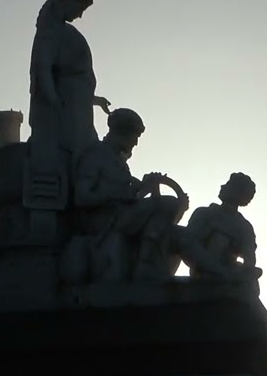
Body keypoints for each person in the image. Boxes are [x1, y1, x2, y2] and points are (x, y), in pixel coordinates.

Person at [71, 108, 188, 281]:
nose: (135, 143)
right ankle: (145, 265)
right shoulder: (96, 155)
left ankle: (151, 264)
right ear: (123, 132)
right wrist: (118, 194)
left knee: (174, 219)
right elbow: (82, 197)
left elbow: (131, 199)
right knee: (168, 203)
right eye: (135, 137)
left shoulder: (119, 163)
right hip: (103, 221)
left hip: (120, 216)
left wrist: (149, 188)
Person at [28, 0, 111, 171]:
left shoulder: (62, 31)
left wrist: (93, 99)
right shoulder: (51, 31)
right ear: (69, 0)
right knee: (81, 158)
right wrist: (53, 100)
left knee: (85, 155)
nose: (80, 15)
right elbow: (43, 68)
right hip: (68, 113)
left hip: (76, 109)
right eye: (81, 8)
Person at [180, 173, 262, 281]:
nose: (222, 186)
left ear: (237, 192)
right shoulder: (203, 213)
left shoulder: (244, 227)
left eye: (228, 184)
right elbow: (188, 245)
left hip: (228, 276)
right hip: (202, 272)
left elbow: (250, 260)